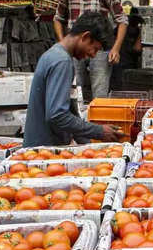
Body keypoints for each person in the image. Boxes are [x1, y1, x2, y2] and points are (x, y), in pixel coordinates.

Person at [23, 12, 122, 148]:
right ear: (85, 37)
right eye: (95, 49)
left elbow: (67, 109)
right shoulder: (62, 62)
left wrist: (88, 144)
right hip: (43, 150)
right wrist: (98, 131)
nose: (92, 55)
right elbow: (57, 115)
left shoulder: (55, 55)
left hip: (43, 147)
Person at [53, 0, 128, 101]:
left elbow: (122, 20)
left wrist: (116, 48)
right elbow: (58, 19)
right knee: (74, 92)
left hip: (100, 49)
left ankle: (99, 124)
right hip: (74, 49)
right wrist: (62, 44)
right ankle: (78, 123)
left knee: (100, 94)